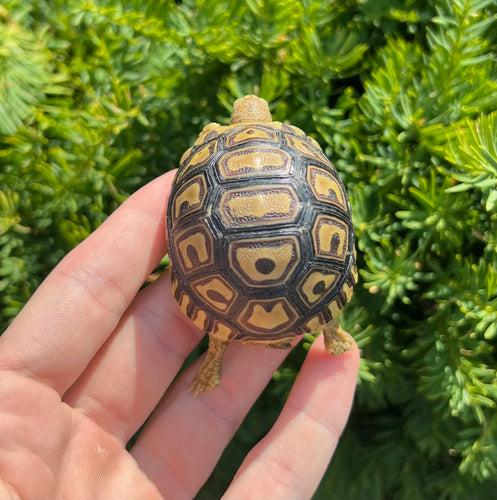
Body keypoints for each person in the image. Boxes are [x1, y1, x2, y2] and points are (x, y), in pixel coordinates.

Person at [0, 171, 359, 499]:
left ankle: (217, 356)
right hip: (306, 287)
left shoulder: (207, 160)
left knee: (217, 322)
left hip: (228, 297)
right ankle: (328, 324)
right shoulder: (301, 155)